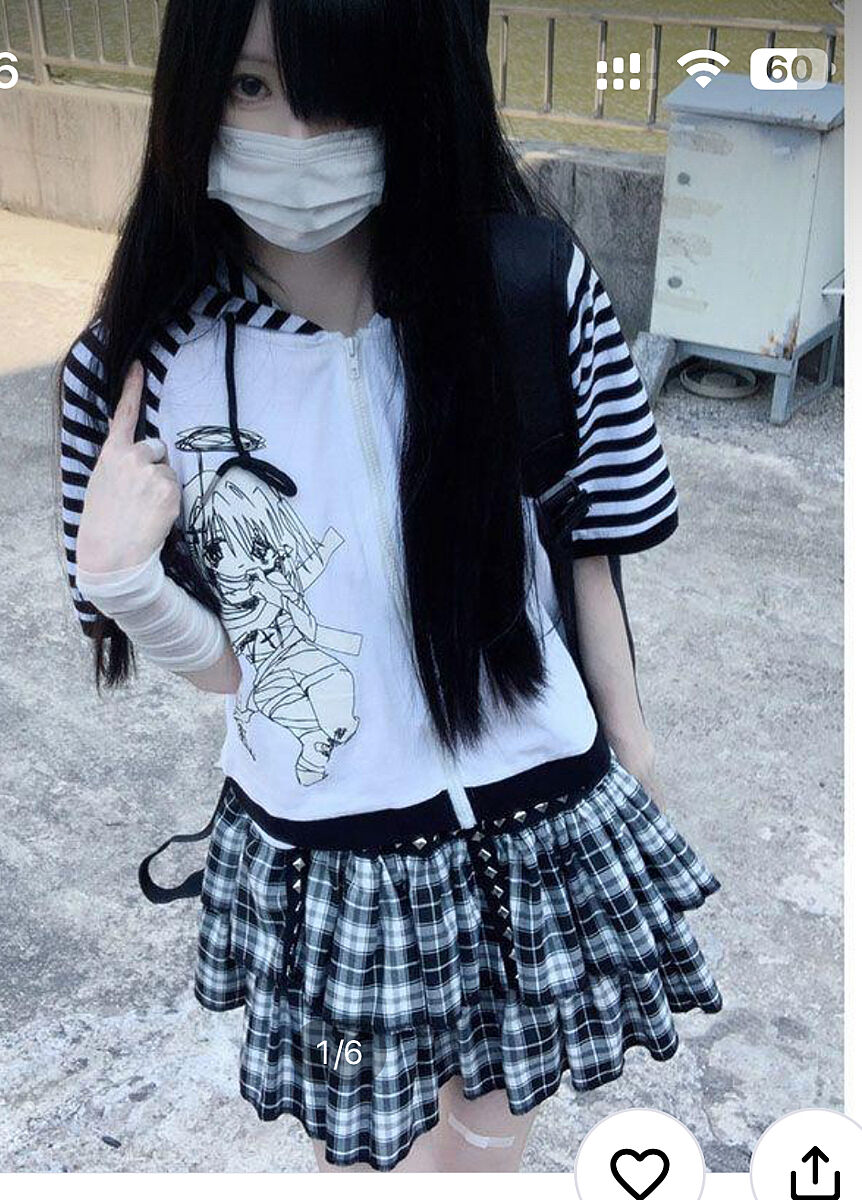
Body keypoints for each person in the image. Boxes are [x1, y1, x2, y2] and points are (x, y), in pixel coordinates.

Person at [55, 0, 722, 1174]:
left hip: (542, 822)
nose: (294, 137)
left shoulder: (523, 284)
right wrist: (124, 583)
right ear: (192, 90)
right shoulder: (138, 368)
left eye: (343, 93)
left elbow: (587, 540)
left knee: (492, 1130)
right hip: (335, 862)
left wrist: (633, 748)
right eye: (251, 87)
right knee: (375, 1148)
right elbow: (246, 665)